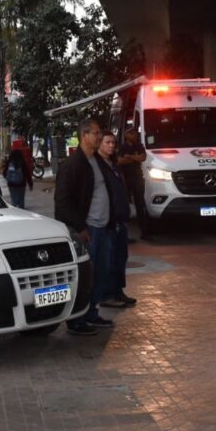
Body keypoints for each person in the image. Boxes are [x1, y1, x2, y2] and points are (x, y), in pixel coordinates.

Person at [54, 118, 114, 335]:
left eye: (100, 133)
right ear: (84, 135)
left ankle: (92, 312)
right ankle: (77, 319)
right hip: (87, 230)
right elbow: (62, 203)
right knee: (85, 276)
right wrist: (80, 228)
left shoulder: (97, 161)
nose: (99, 137)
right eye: (96, 133)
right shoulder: (73, 165)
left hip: (103, 228)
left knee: (100, 274)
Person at [98, 131, 137, 308]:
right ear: (99, 144)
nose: (111, 146)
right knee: (109, 258)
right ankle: (107, 295)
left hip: (120, 218)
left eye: (113, 143)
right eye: (107, 142)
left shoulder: (113, 164)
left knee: (121, 257)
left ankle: (117, 291)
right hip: (108, 220)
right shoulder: (98, 166)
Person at [117, 128, 149, 240]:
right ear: (126, 135)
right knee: (125, 205)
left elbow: (143, 157)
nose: (134, 135)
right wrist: (135, 159)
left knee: (141, 205)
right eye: (131, 133)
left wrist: (130, 157)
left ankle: (144, 232)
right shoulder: (122, 147)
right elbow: (119, 160)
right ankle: (126, 233)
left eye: (135, 133)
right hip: (125, 179)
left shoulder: (139, 146)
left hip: (137, 179)